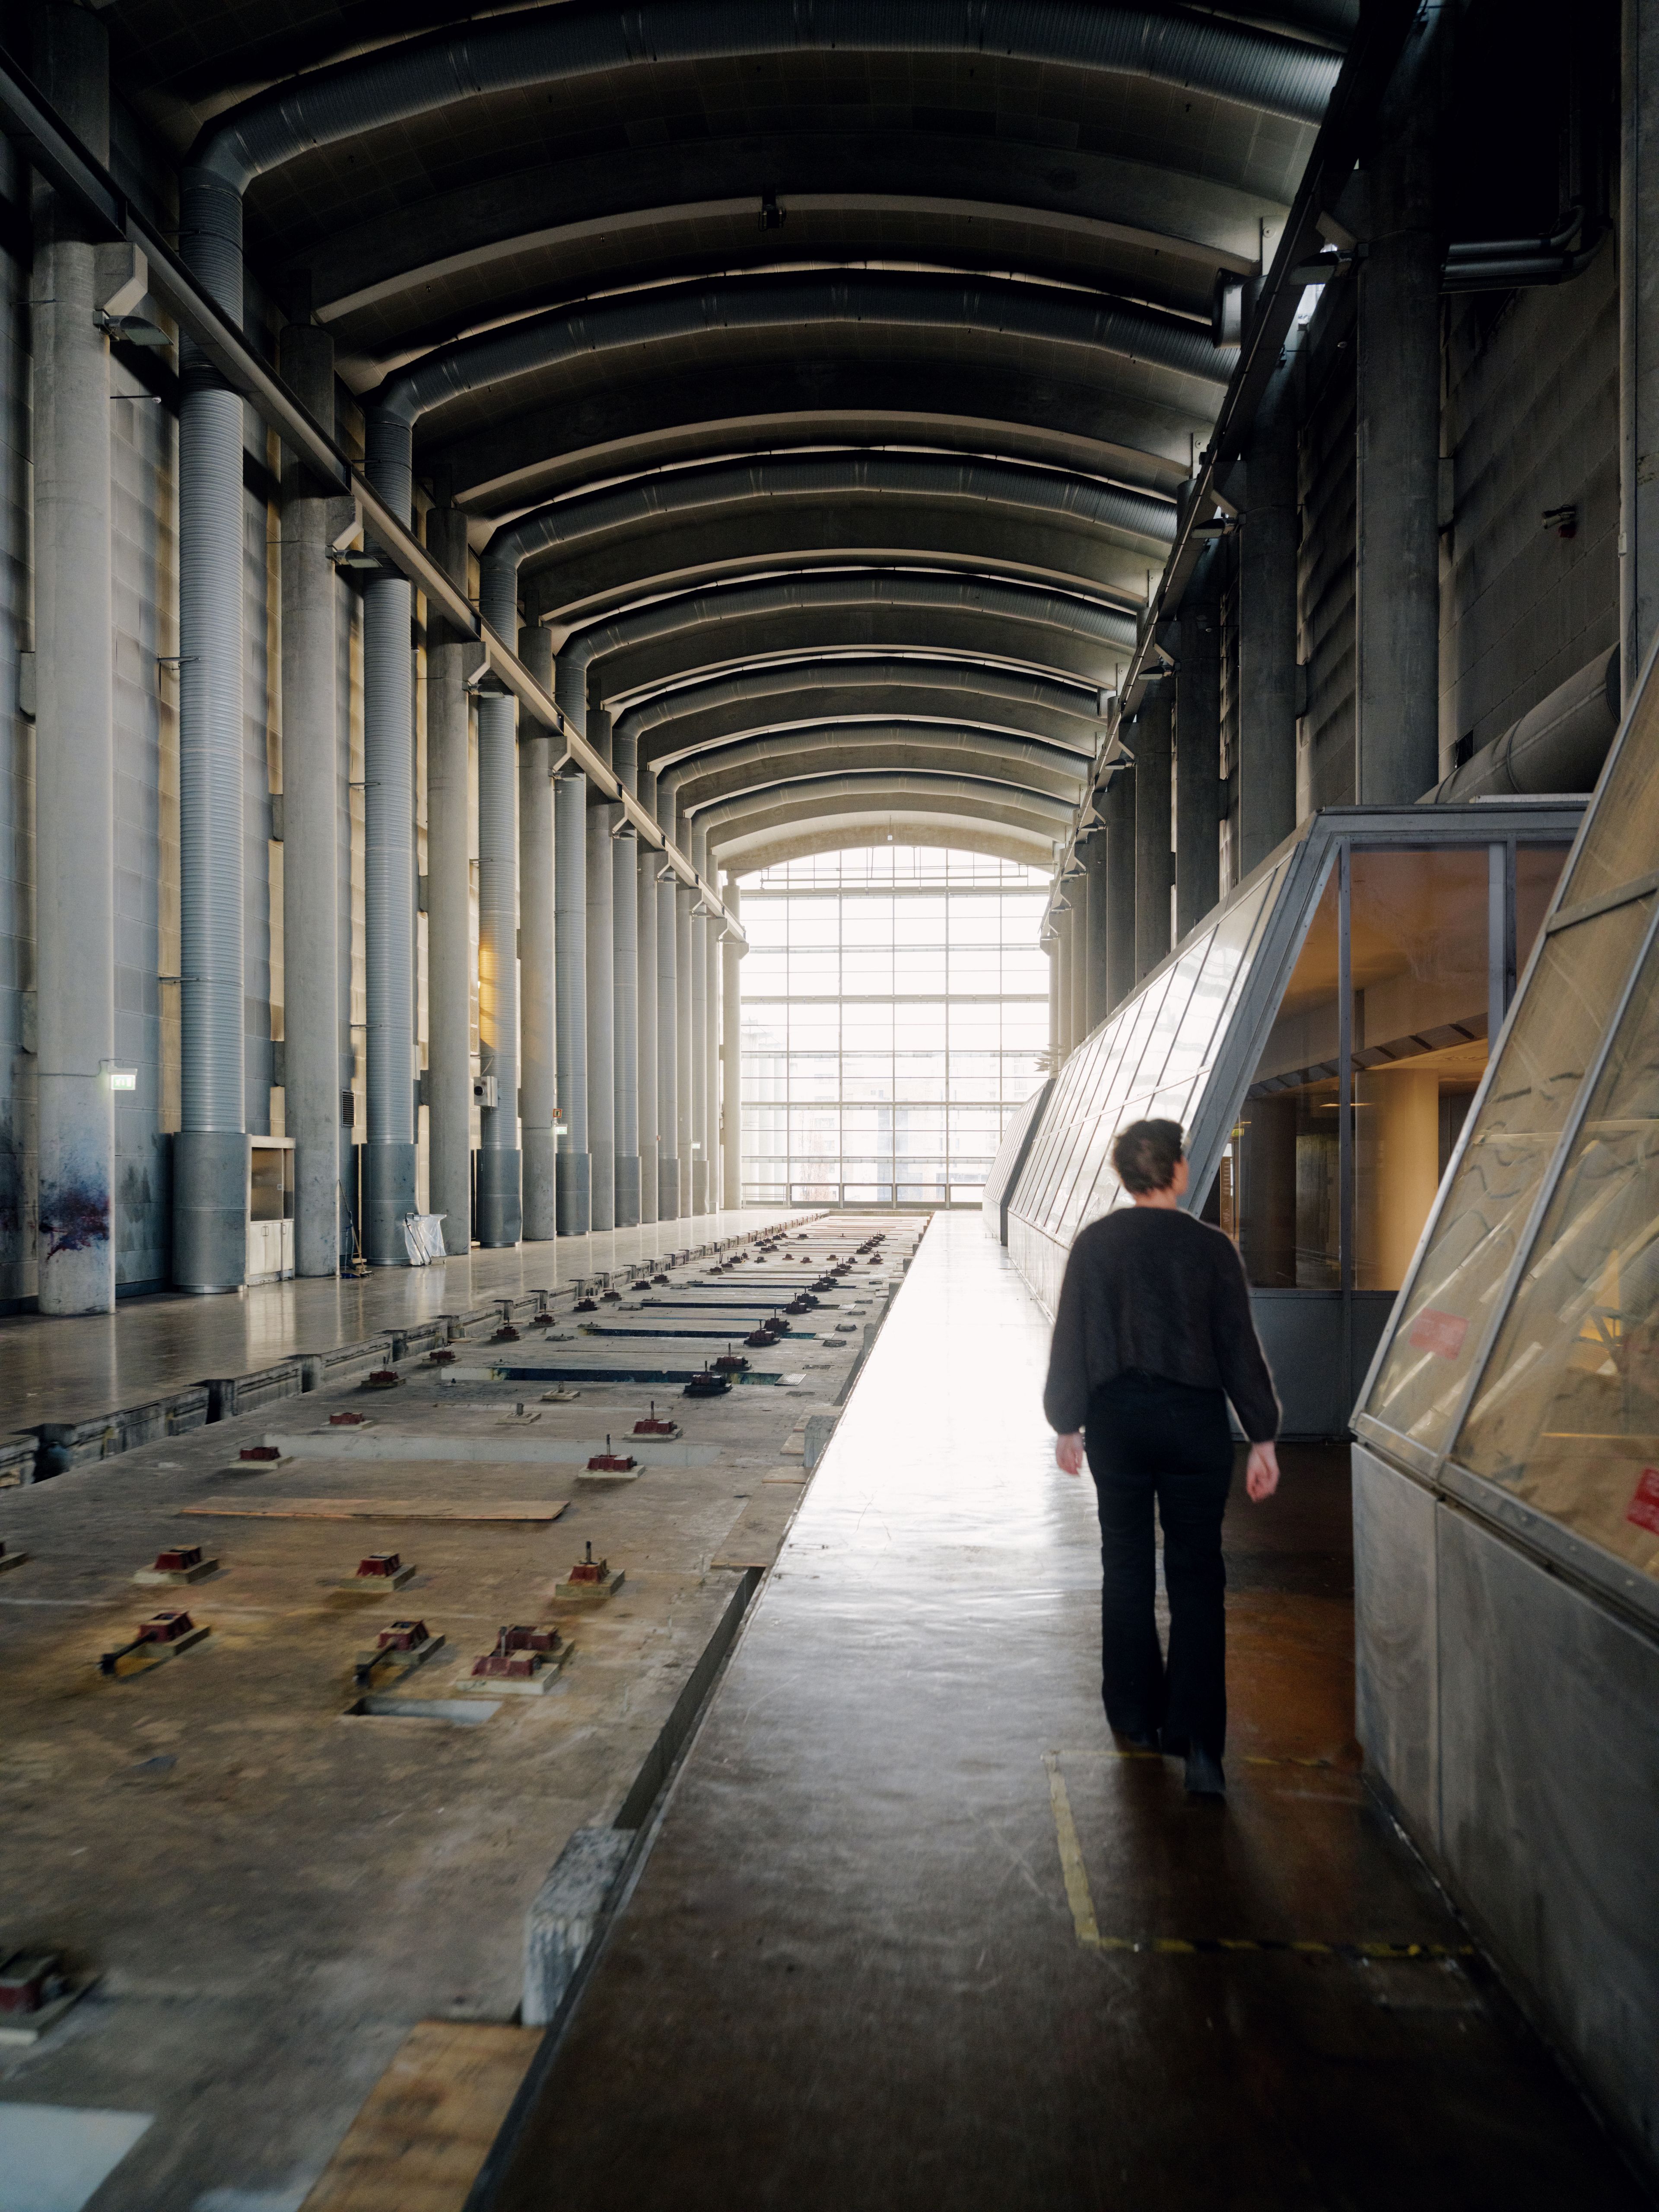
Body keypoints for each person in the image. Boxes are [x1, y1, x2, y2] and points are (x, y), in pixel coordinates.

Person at [1042, 1116, 1280, 1800]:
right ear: (1177, 1170)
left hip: (1117, 1423)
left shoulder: (1096, 1244)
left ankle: (1135, 1717)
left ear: (1125, 1177)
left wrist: (1067, 1423)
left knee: (1125, 1565)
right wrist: (1262, 1436)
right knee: (1198, 1575)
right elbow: (1238, 1347)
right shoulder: (1210, 1248)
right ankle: (1200, 1747)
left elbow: (1072, 1338)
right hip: (1192, 1424)